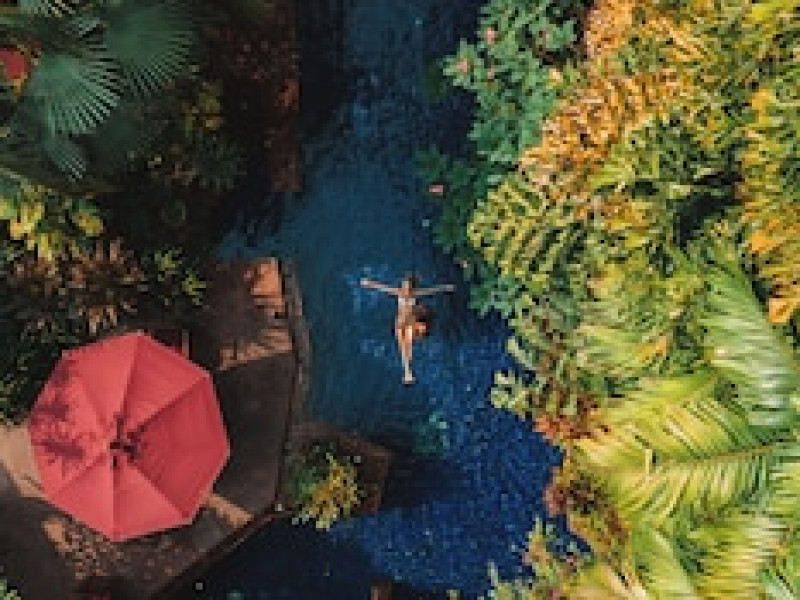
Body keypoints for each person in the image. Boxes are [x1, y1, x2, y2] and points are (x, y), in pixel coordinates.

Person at [360, 274, 455, 384]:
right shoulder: (398, 292)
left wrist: (446, 287)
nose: (406, 290)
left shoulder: (415, 294)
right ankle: (407, 371)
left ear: (411, 288)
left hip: (411, 322)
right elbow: (383, 287)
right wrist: (369, 283)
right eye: (404, 286)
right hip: (400, 323)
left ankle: (408, 371)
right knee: (402, 341)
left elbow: (432, 290)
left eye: (408, 287)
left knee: (408, 338)